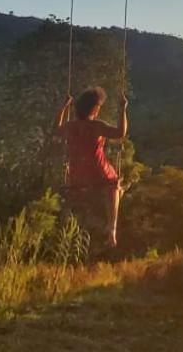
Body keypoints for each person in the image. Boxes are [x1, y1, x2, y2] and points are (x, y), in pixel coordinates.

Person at [54, 87, 128, 247]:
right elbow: (120, 133)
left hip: (77, 174)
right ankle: (112, 228)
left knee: (108, 185)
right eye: (98, 107)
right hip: (99, 173)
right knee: (114, 184)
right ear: (94, 109)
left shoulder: (70, 126)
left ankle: (82, 225)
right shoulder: (96, 126)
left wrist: (64, 106)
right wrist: (122, 109)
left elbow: (56, 128)